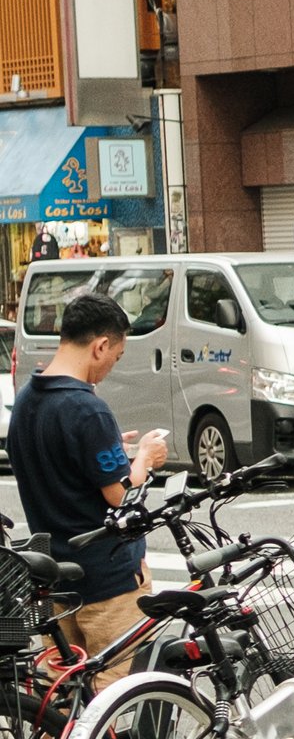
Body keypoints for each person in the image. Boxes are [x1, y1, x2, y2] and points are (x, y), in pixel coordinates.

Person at [15, 291, 168, 688]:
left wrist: (112, 448)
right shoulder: (86, 408)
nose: (110, 368)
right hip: (108, 581)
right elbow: (119, 494)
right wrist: (145, 457)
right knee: (110, 696)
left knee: (58, 693)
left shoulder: (28, 400)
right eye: (115, 357)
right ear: (101, 345)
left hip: (54, 577)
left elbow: (64, 462)